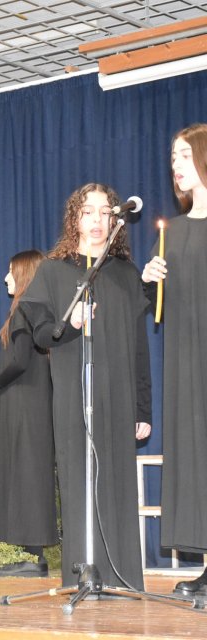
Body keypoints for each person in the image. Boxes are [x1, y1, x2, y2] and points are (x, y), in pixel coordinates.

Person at [20, 183, 152, 591]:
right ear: (74, 219)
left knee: (116, 484)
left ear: (115, 220)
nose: (97, 220)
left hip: (119, 398)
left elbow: (139, 347)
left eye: (105, 212)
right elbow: (40, 334)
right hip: (74, 397)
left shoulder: (126, 274)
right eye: (88, 212)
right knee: (79, 482)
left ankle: (121, 578)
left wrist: (142, 408)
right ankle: (83, 576)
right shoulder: (53, 271)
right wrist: (71, 323)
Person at [142, 123, 207, 596]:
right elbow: (156, 306)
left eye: (184, 155)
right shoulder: (173, 233)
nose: (176, 165)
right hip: (187, 363)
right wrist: (149, 280)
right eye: (172, 158)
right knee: (196, 456)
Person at [0, 250, 58, 578]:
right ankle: (29, 555)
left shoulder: (26, 309)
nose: (5, 278)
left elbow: (21, 360)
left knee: (28, 474)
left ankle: (34, 558)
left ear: (24, 274)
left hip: (27, 406)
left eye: (11, 272)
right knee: (27, 474)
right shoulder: (33, 311)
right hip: (28, 404)